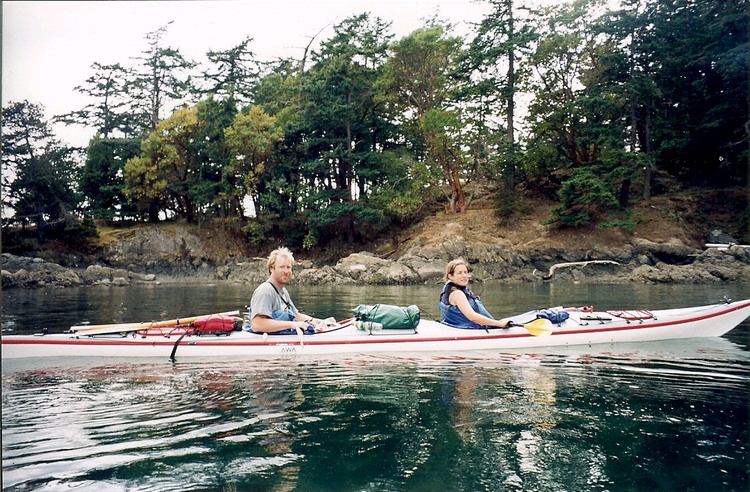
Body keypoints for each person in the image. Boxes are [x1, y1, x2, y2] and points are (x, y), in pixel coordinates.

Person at [248, 247, 335, 334]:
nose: (286, 271)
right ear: (271, 268)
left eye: (288, 267)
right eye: (281, 267)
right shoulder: (265, 291)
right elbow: (257, 325)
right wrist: (292, 325)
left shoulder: (284, 292)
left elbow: (296, 316)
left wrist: (321, 322)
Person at [439, 258, 510, 329]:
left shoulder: (452, 292)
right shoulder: (457, 294)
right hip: (468, 330)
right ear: (450, 276)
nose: (464, 276)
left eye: (465, 272)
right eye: (459, 273)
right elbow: (472, 317)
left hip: (460, 328)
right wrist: (500, 324)